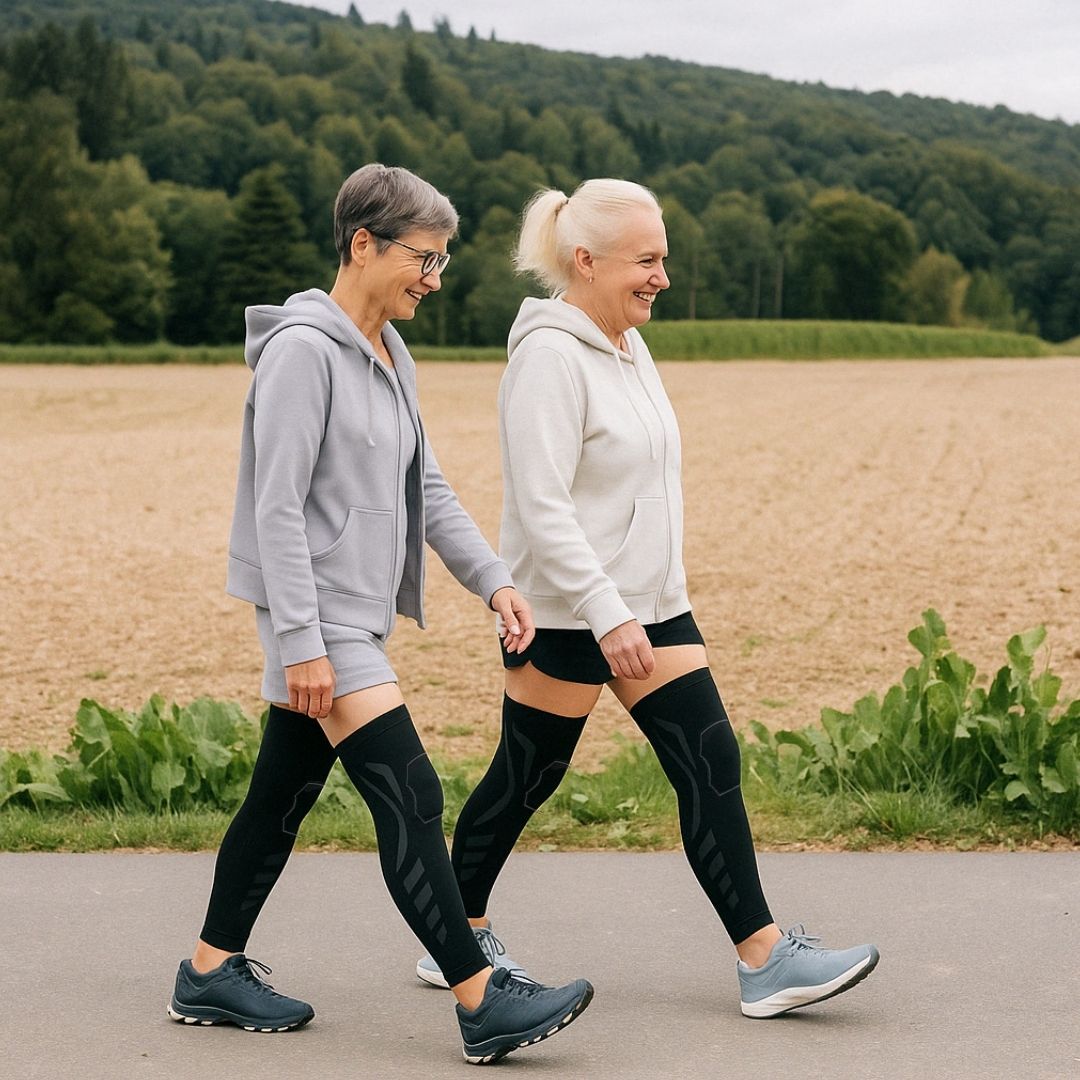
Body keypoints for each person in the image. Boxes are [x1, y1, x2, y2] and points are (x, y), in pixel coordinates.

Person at [416, 179, 879, 1020]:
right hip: (566, 611)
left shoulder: (630, 346)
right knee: (529, 775)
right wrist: (608, 611)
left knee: (709, 758)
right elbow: (543, 505)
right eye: (647, 260)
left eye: (663, 258)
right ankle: (457, 927)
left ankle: (764, 958)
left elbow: (647, 487)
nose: (662, 276)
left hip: (649, 603)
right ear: (585, 261)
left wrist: (655, 597)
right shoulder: (548, 359)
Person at [167, 164, 593, 1065]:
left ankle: (209, 970)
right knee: (411, 790)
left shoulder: (391, 353)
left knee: (280, 794)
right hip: (315, 616)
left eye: (442, 261)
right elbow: (274, 507)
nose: (433, 279)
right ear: (363, 244)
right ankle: (480, 998)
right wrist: (299, 644)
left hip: (353, 614)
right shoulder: (300, 352)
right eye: (423, 258)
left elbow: (425, 488)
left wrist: (495, 580)